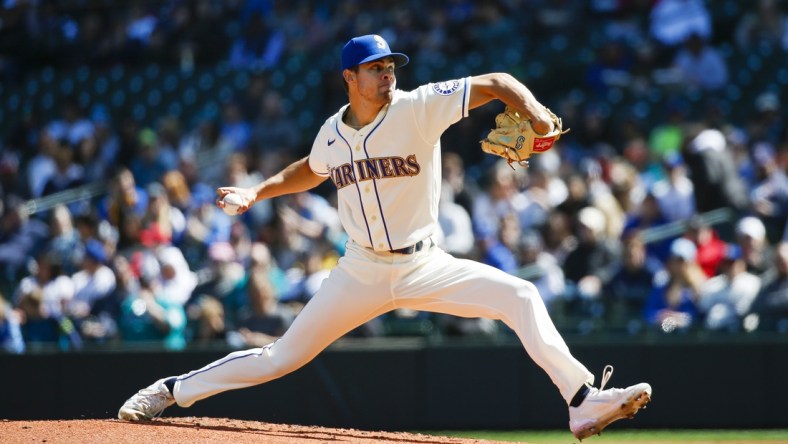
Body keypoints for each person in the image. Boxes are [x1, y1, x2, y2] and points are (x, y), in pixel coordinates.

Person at [118, 34, 652, 440]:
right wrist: (257, 193)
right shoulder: (332, 130)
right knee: (280, 358)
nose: (388, 74)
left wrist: (534, 113)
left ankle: (581, 398)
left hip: (426, 263)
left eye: (391, 65)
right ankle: (172, 391)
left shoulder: (418, 107)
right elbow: (313, 166)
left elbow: (497, 83)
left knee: (520, 295)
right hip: (360, 271)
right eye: (376, 68)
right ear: (350, 77)